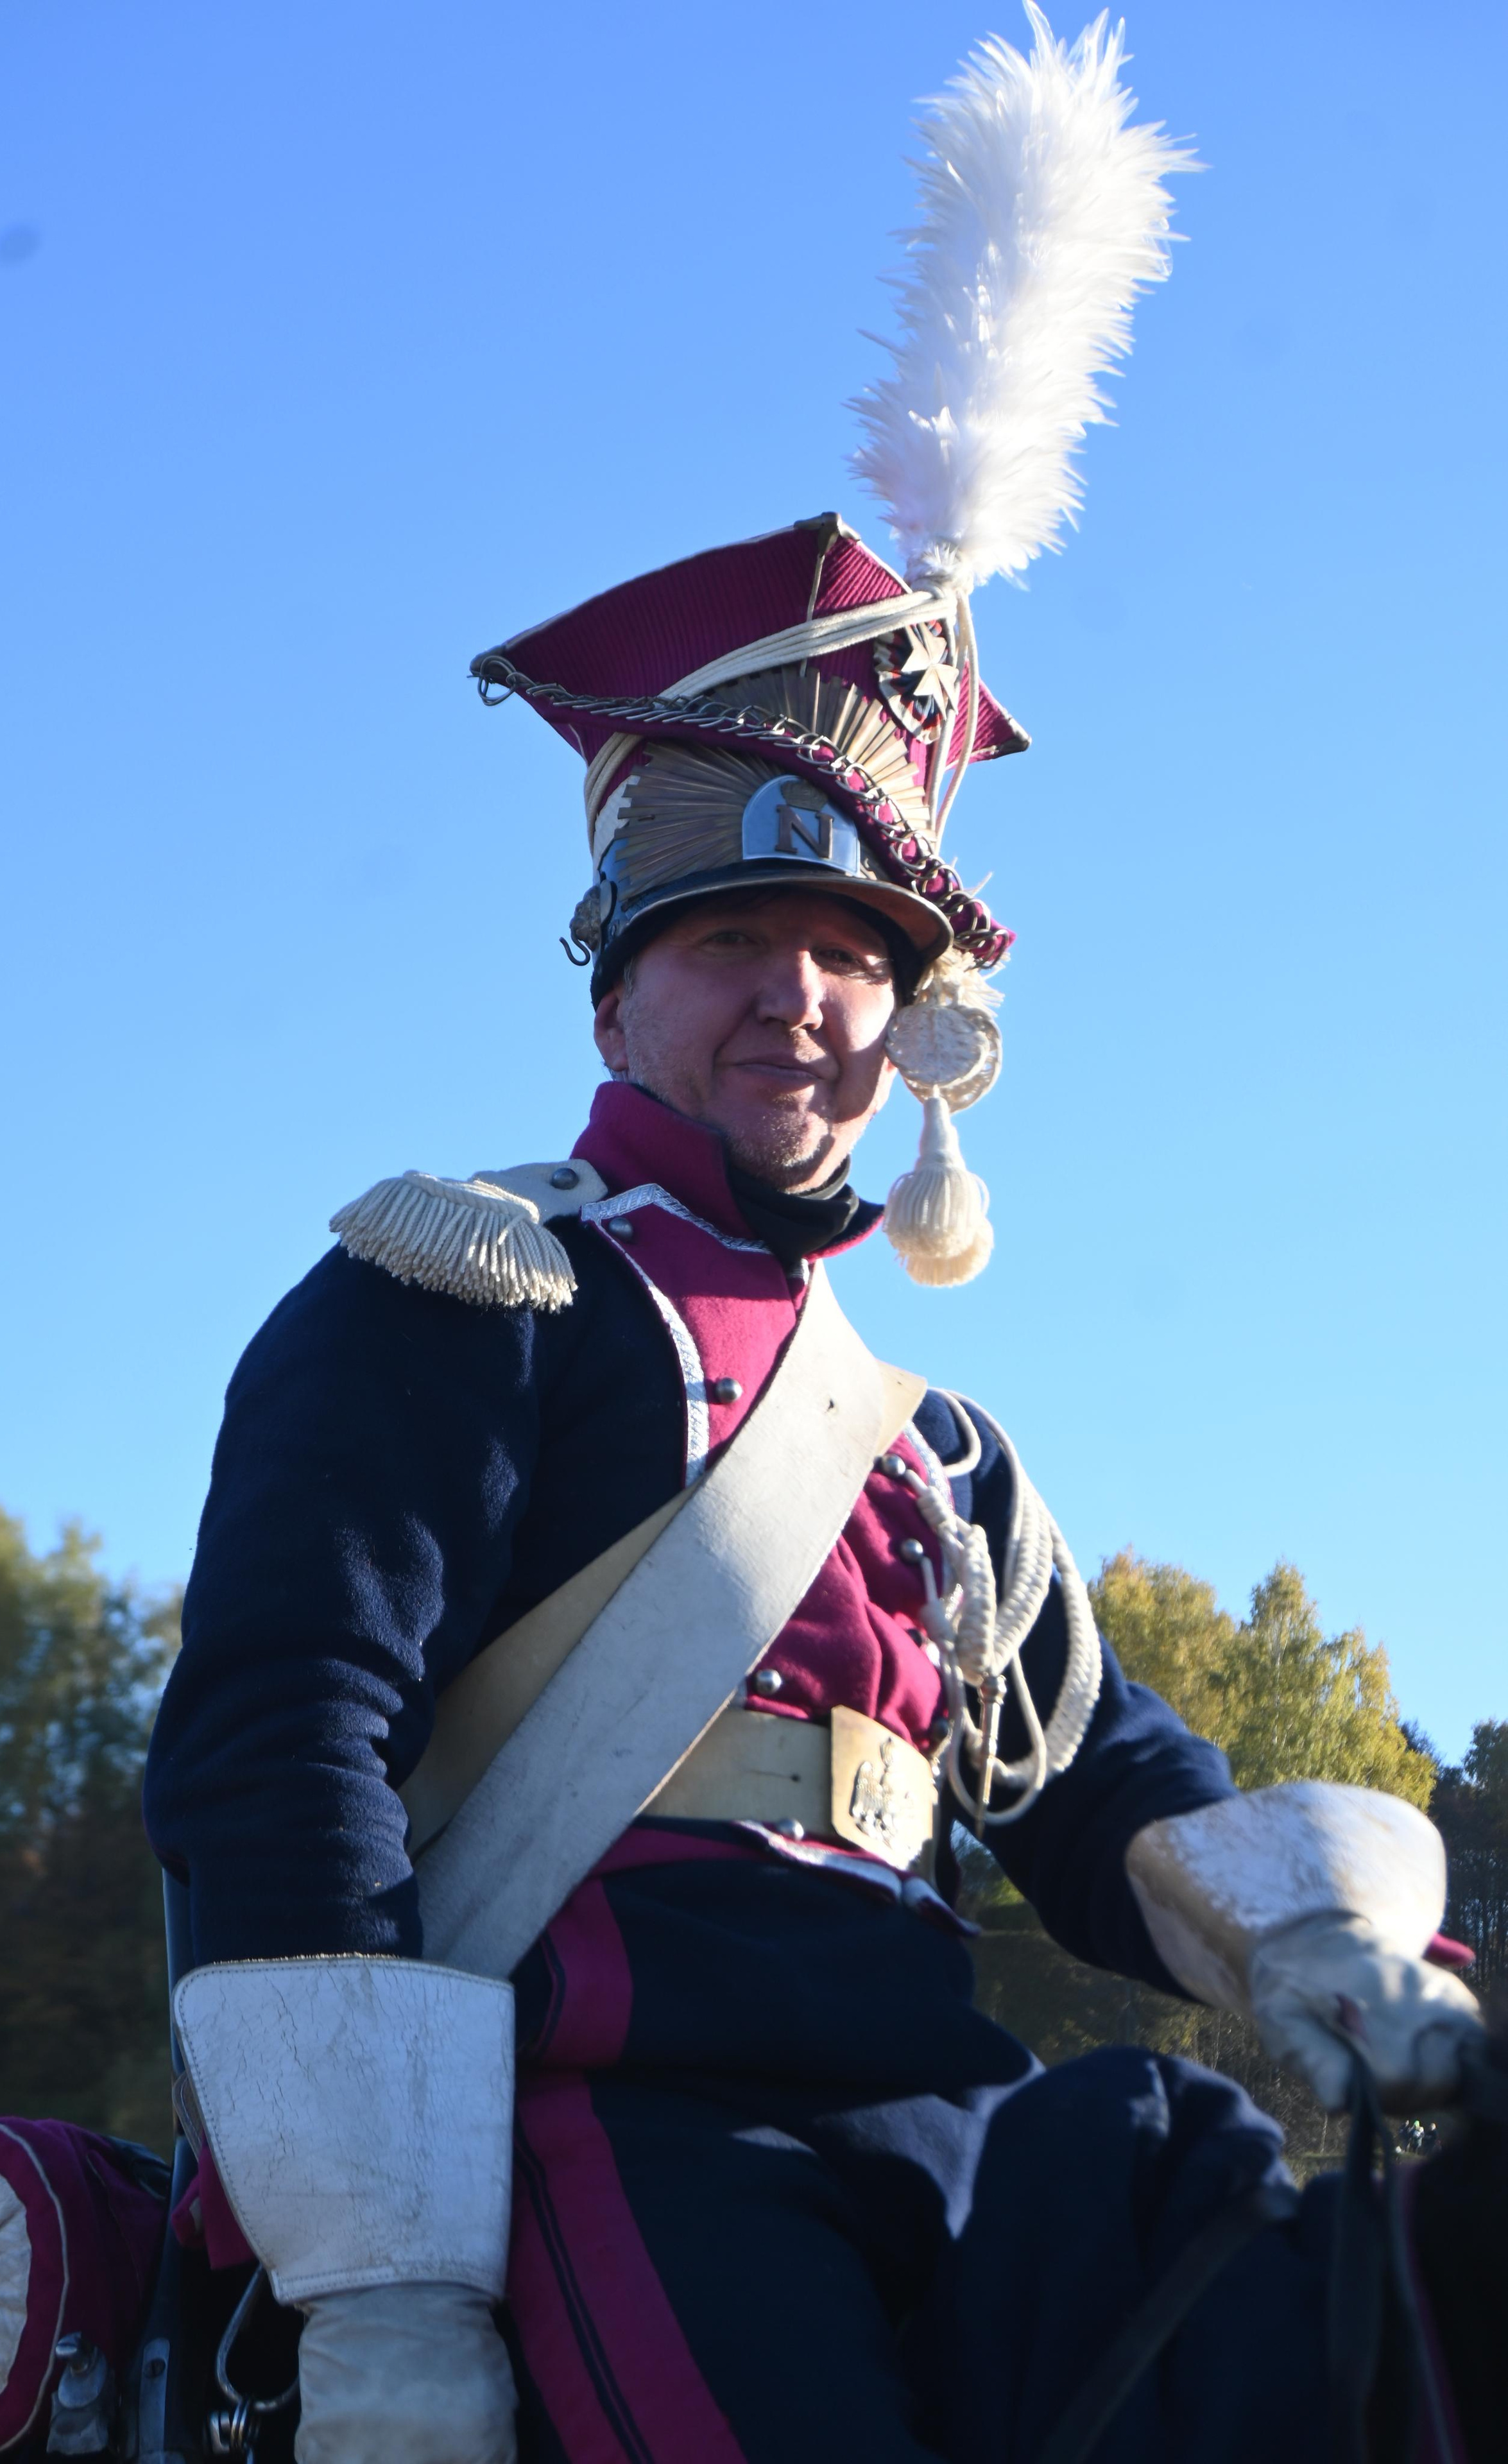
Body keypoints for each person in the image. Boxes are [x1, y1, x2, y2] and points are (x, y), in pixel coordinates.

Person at [131, 513, 1494, 2464]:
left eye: (854, 954)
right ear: (616, 1004)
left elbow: (1104, 1783)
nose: (800, 995)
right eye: (729, 943)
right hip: (603, 2115)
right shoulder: (466, 1293)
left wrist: (1322, 1952)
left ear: (909, 1035)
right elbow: (283, 1752)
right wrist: (384, 2268)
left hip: (938, 2103)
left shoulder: (942, 1454)